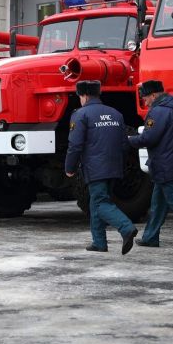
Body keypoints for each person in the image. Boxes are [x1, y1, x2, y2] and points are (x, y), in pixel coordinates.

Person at [65, 80, 138, 254]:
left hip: (95, 168)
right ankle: (99, 242)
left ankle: (126, 227)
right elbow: (124, 143)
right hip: (114, 166)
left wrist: (70, 167)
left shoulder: (81, 115)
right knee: (96, 202)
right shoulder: (115, 114)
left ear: (84, 95)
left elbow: (75, 145)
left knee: (100, 202)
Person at [129, 80, 173, 247]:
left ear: (153, 95)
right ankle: (150, 237)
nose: (145, 102)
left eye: (145, 98)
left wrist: (128, 140)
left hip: (165, 164)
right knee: (158, 202)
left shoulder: (158, 111)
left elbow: (148, 138)